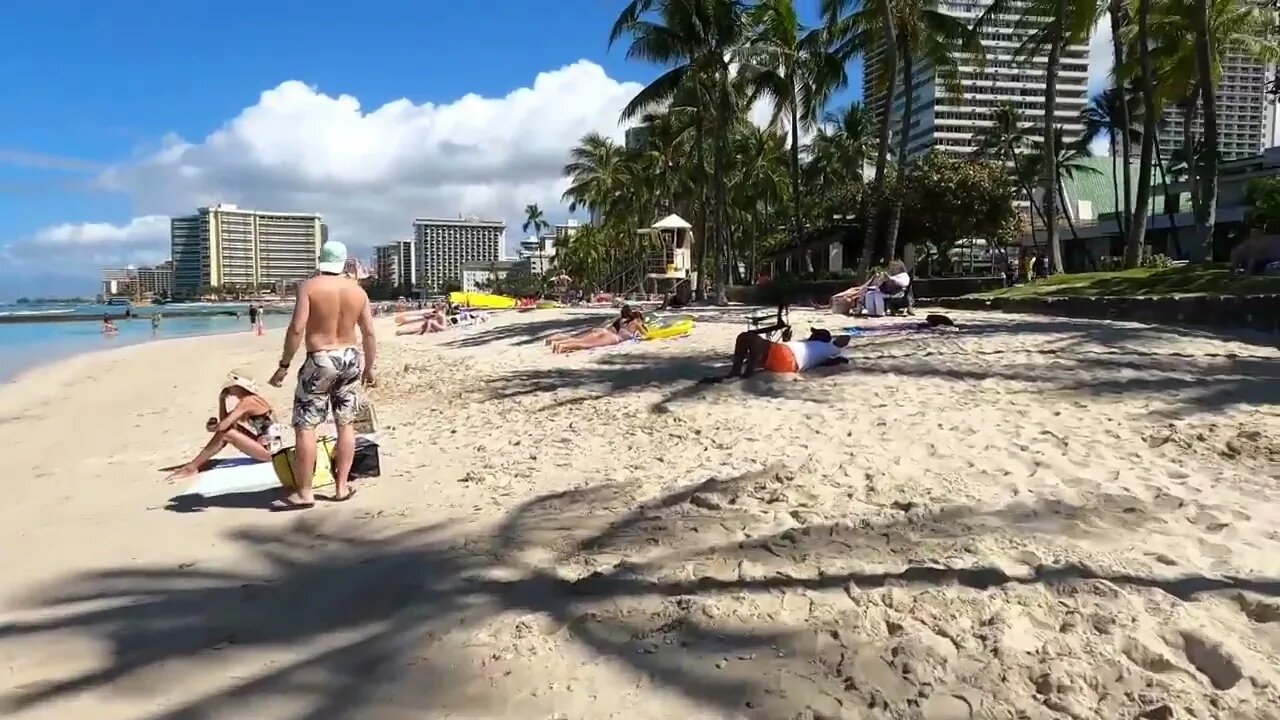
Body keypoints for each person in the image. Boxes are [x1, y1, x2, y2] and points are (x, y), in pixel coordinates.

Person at [267, 240, 377, 511]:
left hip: (321, 359)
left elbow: (296, 328)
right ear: (342, 263)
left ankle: (305, 493)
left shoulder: (310, 287)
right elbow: (370, 333)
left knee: (306, 426)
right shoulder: (357, 292)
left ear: (321, 260)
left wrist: (284, 364)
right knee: (346, 423)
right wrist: (369, 367)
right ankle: (341, 488)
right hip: (350, 358)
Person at [165, 372, 285, 480]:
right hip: (271, 448)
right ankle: (195, 465)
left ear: (239, 387)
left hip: (271, 454)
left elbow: (223, 427)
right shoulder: (253, 400)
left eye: (231, 386)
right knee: (231, 430)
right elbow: (227, 422)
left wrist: (212, 428)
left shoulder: (247, 402)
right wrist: (222, 402)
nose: (228, 389)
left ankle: (191, 467)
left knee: (226, 434)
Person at [701, 327, 851, 384]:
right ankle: (739, 372)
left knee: (746, 338)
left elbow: (842, 342)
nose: (811, 336)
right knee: (751, 343)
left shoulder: (825, 347)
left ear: (820, 337)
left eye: (815, 334)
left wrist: (836, 341)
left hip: (788, 358)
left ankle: (741, 374)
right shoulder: (813, 348)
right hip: (785, 359)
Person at [544, 305, 646, 354]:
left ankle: (559, 344)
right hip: (613, 338)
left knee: (581, 340)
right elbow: (647, 335)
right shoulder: (636, 323)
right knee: (585, 345)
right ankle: (561, 346)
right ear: (638, 318)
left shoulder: (621, 321)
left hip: (604, 331)